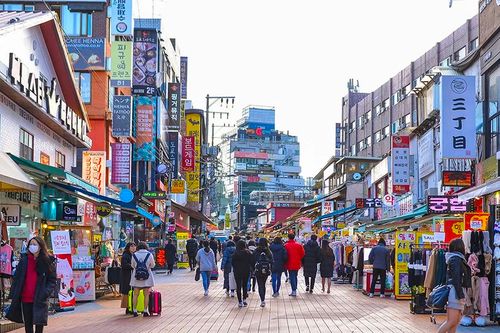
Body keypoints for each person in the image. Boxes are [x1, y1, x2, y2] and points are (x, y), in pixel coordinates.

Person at [7, 237, 57, 333]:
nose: (32, 246)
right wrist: (14, 293)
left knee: (39, 324)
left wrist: (45, 292)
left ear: (40, 246)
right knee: (28, 324)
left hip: (40, 297)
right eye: (31, 244)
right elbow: (17, 278)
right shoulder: (24, 260)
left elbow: (52, 280)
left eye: (35, 244)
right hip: (26, 298)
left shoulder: (47, 261)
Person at [437, 238, 471, 333]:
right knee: (452, 321)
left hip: (457, 291)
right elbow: (456, 278)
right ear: (460, 247)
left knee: (455, 322)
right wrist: (461, 295)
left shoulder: (456, 258)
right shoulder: (455, 259)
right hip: (456, 292)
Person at [130, 242, 155, 317]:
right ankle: (145, 310)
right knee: (146, 295)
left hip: (136, 277)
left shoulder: (134, 255)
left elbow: (133, 265)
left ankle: (134, 310)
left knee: (135, 294)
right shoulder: (149, 254)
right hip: (146, 278)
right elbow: (153, 265)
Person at [231, 240, 255, 307]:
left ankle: (240, 301)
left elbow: (233, 263)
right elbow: (251, 262)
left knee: (238, 286)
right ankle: (244, 299)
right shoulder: (248, 253)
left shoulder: (235, 254)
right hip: (246, 271)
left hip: (237, 271)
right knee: (244, 285)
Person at [254, 238, 273, 307]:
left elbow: (253, 259)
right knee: (263, 284)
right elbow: (272, 260)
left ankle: (262, 300)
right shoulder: (268, 251)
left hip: (258, 270)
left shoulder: (256, 250)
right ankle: (263, 299)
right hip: (266, 270)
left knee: (260, 284)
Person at [119, 242, 136, 314]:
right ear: (128, 247)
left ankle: (131, 307)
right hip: (126, 276)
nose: (133, 248)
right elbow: (124, 265)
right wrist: (132, 266)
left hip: (131, 275)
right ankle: (128, 307)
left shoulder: (133, 255)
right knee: (127, 291)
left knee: (131, 291)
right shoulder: (125, 255)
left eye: (134, 246)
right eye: (131, 246)